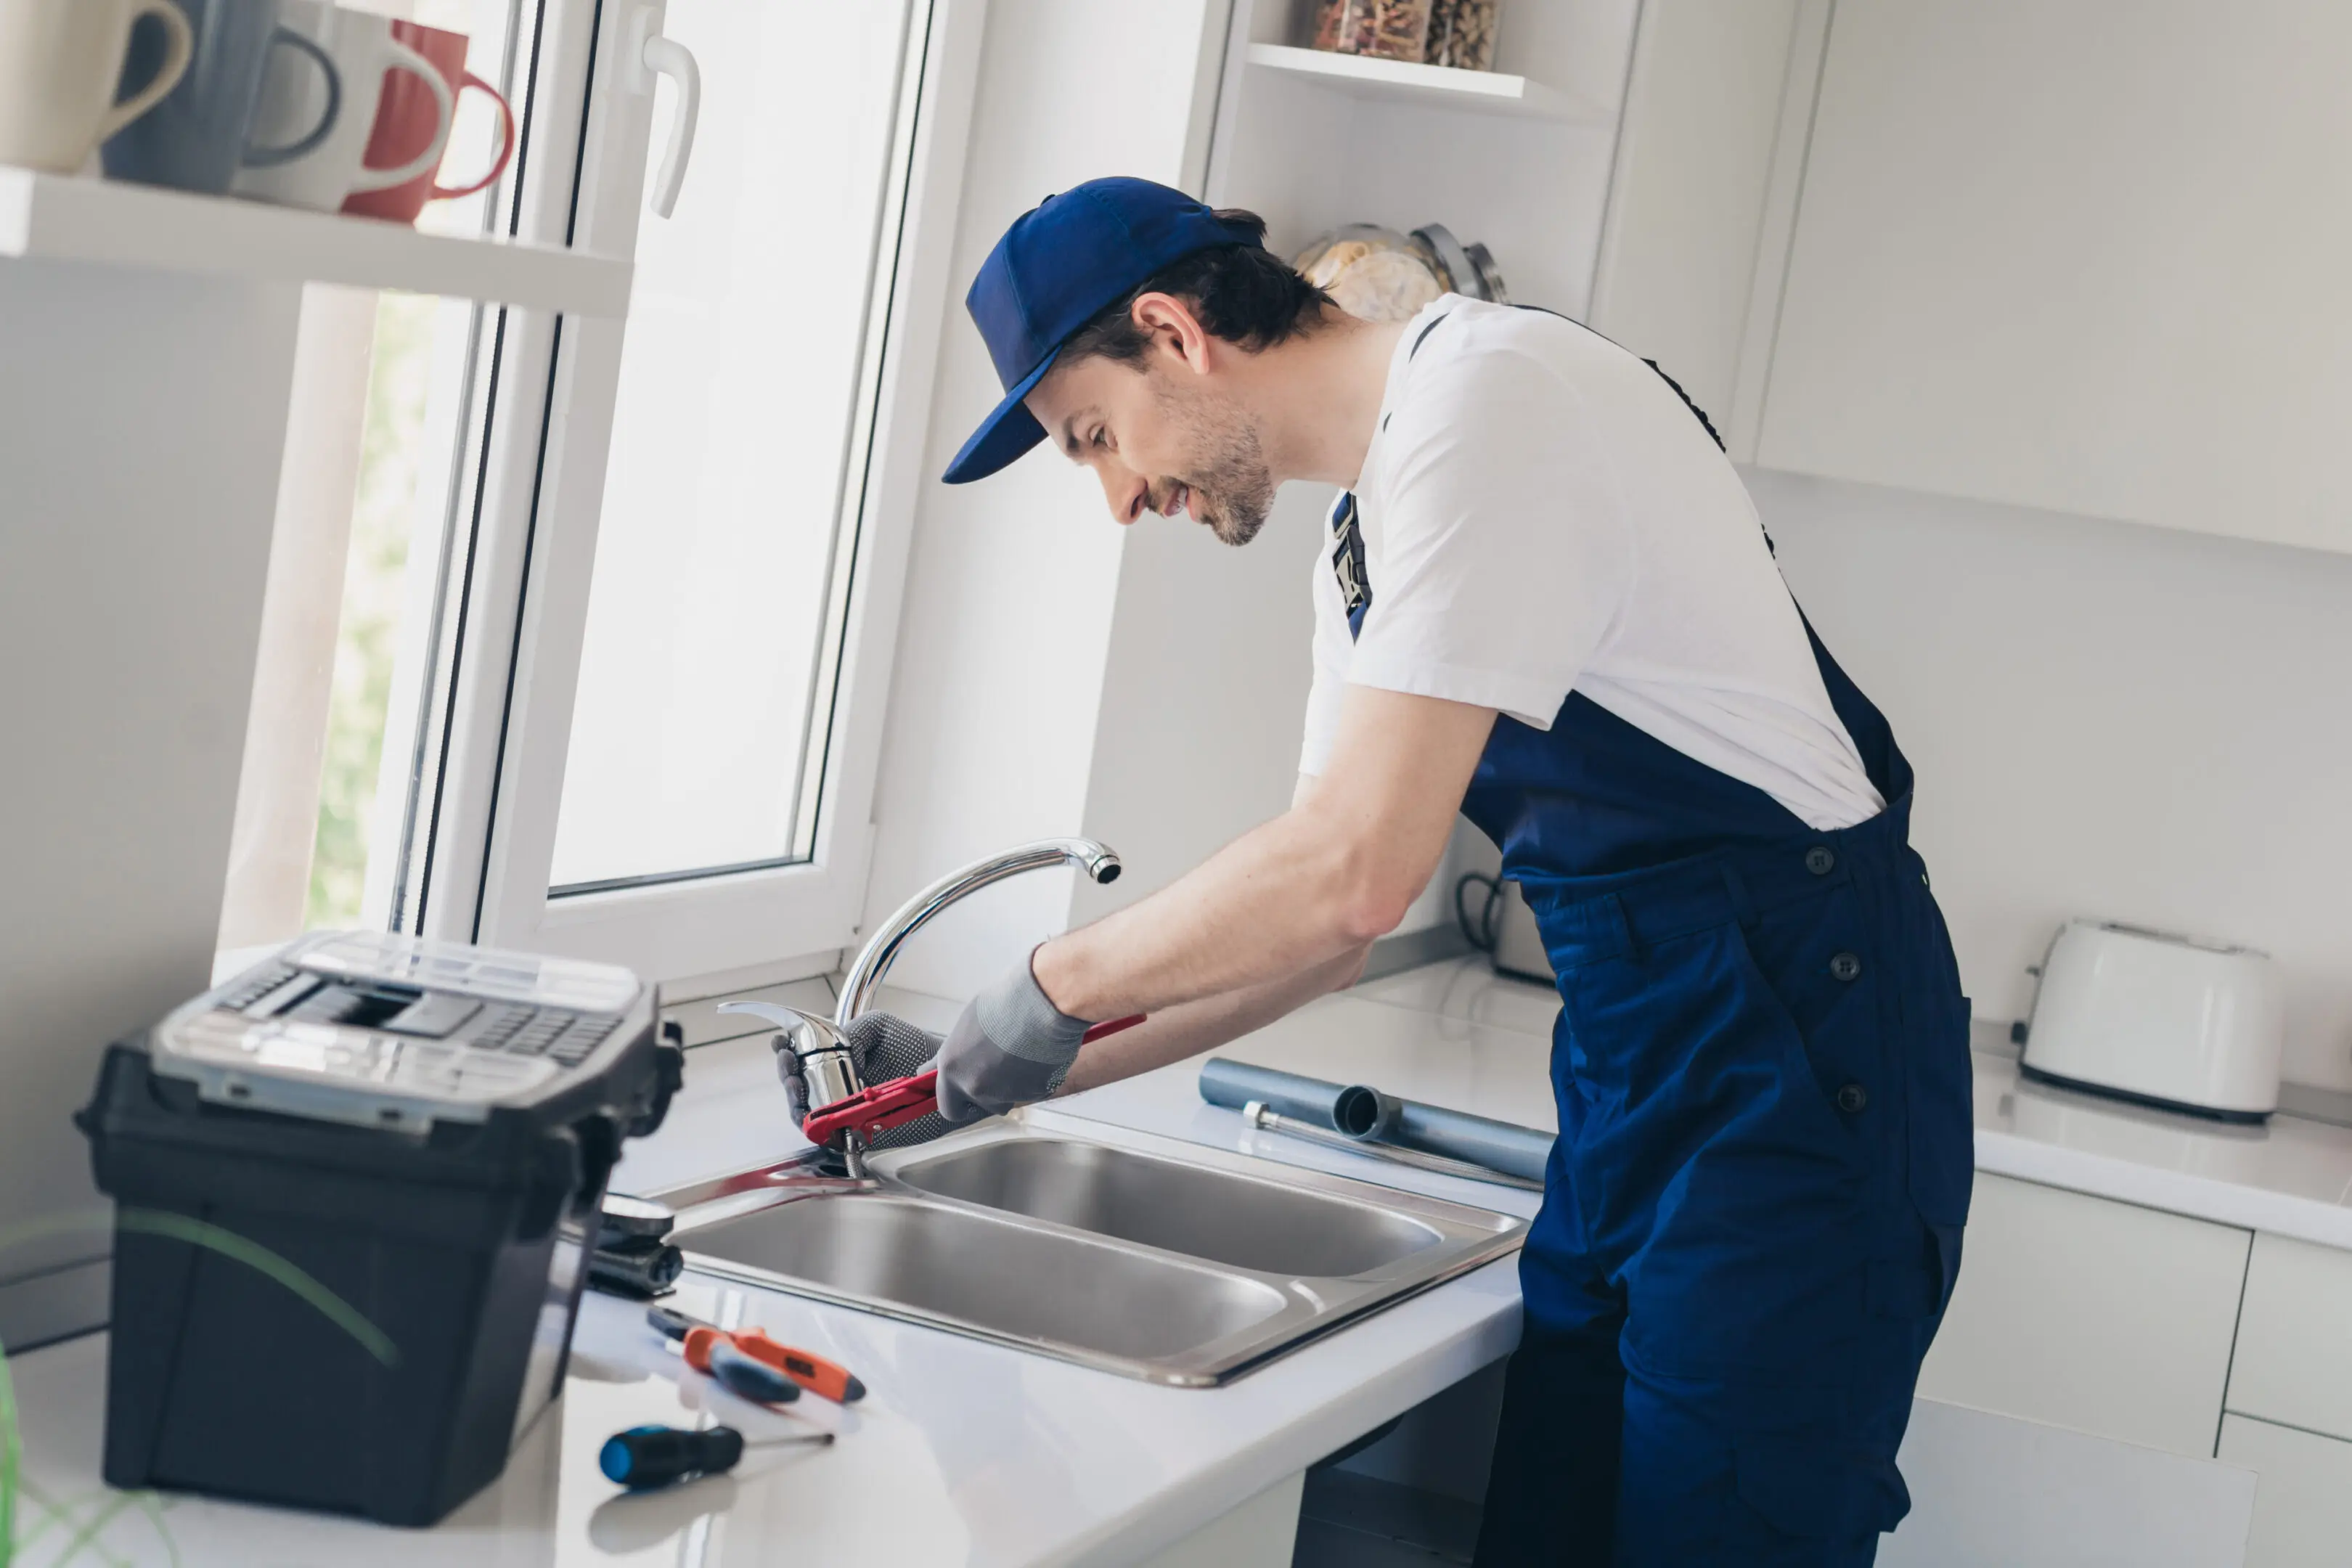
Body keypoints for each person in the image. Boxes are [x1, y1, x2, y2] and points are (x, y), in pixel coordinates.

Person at [813, 176, 1975, 1565]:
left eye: (1095, 436)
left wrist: (1048, 985)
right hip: (1645, 1063)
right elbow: (1320, 938)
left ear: (1174, 333)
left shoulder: (1491, 404)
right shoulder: (1365, 541)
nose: (1121, 496)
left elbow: (1351, 874)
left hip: (1803, 1053)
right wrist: (981, 1075)